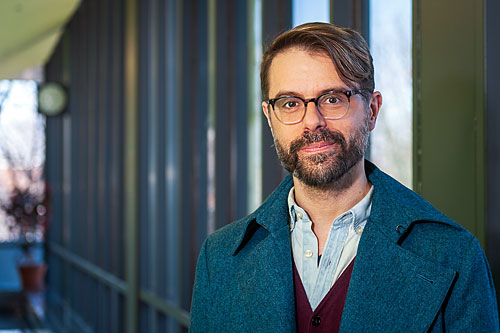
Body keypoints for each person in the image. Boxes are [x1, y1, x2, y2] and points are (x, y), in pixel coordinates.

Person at [190, 22, 499, 332]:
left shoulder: (454, 255)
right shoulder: (218, 258)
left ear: (372, 110)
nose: (312, 121)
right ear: (271, 118)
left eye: (333, 99)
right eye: (290, 103)